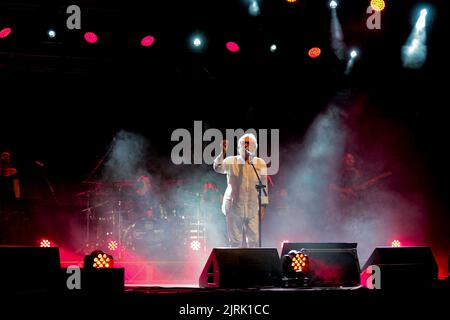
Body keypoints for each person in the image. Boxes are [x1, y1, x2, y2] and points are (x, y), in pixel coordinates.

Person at [213, 133, 268, 248]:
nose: (246, 146)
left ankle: (252, 265)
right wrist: (223, 152)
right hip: (234, 207)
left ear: (254, 146)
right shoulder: (231, 161)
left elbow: (264, 185)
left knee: (254, 241)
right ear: (239, 146)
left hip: (252, 207)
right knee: (235, 242)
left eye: (249, 144)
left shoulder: (259, 163)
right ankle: (234, 265)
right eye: (243, 143)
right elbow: (217, 167)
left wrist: (263, 206)